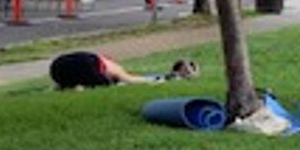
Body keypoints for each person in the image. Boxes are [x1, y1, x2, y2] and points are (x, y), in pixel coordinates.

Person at [48, 52, 198, 90]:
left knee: (121, 77)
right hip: (88, 64)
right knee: (125, 78)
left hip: (58, 69)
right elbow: (130, 80)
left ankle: (176, 75)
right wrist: (167, 77)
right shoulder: (108, 68)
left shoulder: (102, 68)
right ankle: (177, 75)